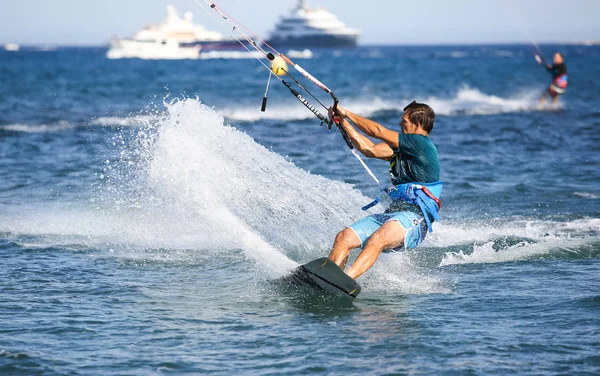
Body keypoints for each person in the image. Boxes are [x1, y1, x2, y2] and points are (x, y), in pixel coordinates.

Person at [327, 101, 442, 280]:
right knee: (344, 237)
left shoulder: (421, 144)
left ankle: (344, 280)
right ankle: (329, 277)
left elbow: (377, 131)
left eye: (404, 121)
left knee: (377, 239)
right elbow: (369, 149)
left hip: (415, 219)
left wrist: (347, 113)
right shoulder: (404, 149)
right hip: (393, 214)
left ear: (417, 125)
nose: (399, 124)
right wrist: (342, 122)